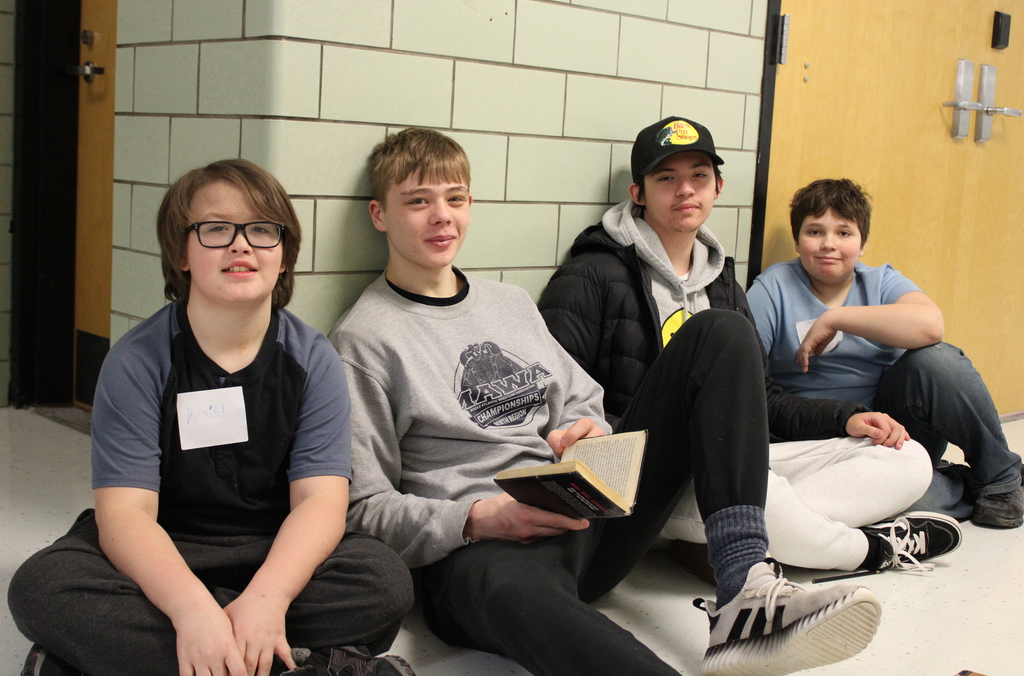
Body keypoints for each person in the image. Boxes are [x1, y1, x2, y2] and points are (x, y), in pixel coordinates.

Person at [331, 127, 884, 676]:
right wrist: (476, 518)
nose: (441, 216)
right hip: (482, 554)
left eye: (454, 199)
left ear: (471, 205)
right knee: (510, 594)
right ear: (380, 215)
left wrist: (588, 429)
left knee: (721, 333)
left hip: (585, 517)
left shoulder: (508, 303)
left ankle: (743, 588)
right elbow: (363, 510)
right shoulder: (365, 339)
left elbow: (582, 399)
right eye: (418, 202)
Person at [7, 160, 416, 676]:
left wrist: (267, 599)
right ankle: (301, 663)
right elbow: (126, 514)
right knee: (42, 587)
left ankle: (130, 657)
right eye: (216, 229)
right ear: (181, 252)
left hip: (272, 550)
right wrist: (191, 609)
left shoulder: (314, 359)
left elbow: (319, 503)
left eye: (262, 230)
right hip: (162, 550)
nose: (241, 244)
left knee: (385, 582)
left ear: (285, 255)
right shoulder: (137, 360)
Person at [538, 116, 962, 576]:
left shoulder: (722, 283)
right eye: (667, 178)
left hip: (728, 465)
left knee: (909, 458)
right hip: (647, 478)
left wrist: (847, 418)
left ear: (717, 186)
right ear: (638, 193)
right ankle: (869, 550)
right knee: (756, 490)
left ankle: (741, 540)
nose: (686, 190)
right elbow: (561, 401)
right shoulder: (591, 275)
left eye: (698, 176)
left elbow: (762, 400)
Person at [746, 178, 1023, 528]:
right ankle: (954, 485)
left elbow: (930, 325)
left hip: (893, 431)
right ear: (798, 240)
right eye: (814, 232)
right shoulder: (771, 289)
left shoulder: (880, 281)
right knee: (864, 502)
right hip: (815, 436)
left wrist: (837, 318)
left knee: (936, 359)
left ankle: (1001, 479)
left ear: (862, 244)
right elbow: (750, 381)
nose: (828, 244)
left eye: (844, 233)